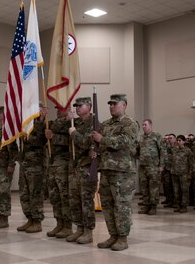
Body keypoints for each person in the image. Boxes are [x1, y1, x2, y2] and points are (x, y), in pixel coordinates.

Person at [92, 94, 138, 251]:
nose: (111, 106)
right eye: (110, 103)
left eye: (115, 103)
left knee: (121, 206)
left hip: (122, 172)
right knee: (107, 205)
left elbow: (124, 142)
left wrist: (102, 140)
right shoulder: (105, 125)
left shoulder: (130, 124)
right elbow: (98, 144)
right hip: (106, 170)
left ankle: (123, 238)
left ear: (124, 105)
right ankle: (113, 235)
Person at [67, 97, 96, 244]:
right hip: (75, 167)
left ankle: (88, 231)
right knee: (74, 200)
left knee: (86, 201)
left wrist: (73, 133)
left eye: (80, 105)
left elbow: (86, 143)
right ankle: (79, 228)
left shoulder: (94, 123)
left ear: (89, 106)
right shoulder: (75, 123)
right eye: (76, 106)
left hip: (87, 167)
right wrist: (69, 121)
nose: (77, 108)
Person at [16, 104, 47, 233]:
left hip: (36, 164)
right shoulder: (27, 124)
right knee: (24, 193)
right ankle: (29, 218)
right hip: (25, 164)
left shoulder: (44, 125)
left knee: (35, 193)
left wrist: (27, 134)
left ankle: (37, 221)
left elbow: (39, 141)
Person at [45, 106, 73, 238]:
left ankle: (67, 226)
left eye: (61, 108)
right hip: (53, 163)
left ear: (68, 109)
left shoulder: (71, 122)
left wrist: (53, 137)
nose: (57, 110)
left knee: (64, 196)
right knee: (54, 197)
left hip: (64, 163)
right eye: (56, 108)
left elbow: (70, 141)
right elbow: (51, 127)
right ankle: (59, 223)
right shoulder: (54, 122)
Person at [137, 119, 166, 215]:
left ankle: (153, 206)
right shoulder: (141, 138)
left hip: (154, 167)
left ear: (150, 125)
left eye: (145, 124)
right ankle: (146, 205)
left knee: (153, 187)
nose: (143, 126)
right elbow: (138, 151)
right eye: (142, 125)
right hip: (143, 167)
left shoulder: (157, 136)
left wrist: (161, 165)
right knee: (144, 187)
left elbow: (163, 151)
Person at [171, 135, 193, 213]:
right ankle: (178, 205)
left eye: (180, 140)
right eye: (177, 140)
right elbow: (171, 161)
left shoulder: (188, 151)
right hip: (175, 173)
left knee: (184, 191)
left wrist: (190, 174)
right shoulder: (174, 150)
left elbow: (191, 163)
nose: (178, 142)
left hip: (184, 174)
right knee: (176, 191)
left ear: (184, 141)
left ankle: (184, 206)